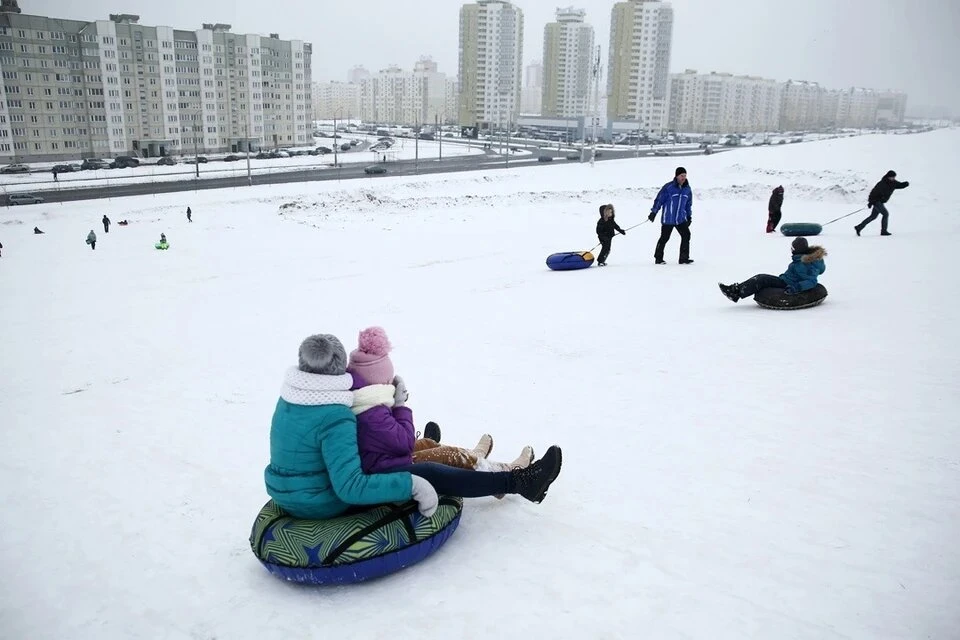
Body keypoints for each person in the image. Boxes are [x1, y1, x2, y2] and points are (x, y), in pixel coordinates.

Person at [264, 333, 563, 520]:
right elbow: (350, 487)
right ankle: (518, 482)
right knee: (430, 472)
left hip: (291, 493)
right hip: (321, 502)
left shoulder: (290, 400)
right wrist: (411, 484)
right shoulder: (334, 415)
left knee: (420, 456)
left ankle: (480, 466)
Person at [345, 327, 534, 478]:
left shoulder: (363, 399)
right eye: (388, 381)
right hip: (387, 469)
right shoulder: (372, 412)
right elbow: (406, 443)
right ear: (378, 384)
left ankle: (473, 457)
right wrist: (399, 406)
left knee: (427, 443)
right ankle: (506, 472)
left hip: (382, 459)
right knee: (447, 455)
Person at [718, 237, 826, 303]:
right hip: (785, 280)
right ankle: (736, 290)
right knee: (761, 278)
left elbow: (811, 281)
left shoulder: (805, 264)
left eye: (792, 248)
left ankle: (735, 292)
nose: (791, 250)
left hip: (787, 284)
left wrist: (795, 288)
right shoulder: (802, 260)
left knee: (761, 279)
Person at [649, 166, 694, 264]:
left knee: (686, 235)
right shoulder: (668, 187)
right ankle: (658, 258)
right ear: (677, 176)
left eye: (685, 176)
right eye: (682, 175)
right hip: (668, 219)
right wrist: (653, 212)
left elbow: (688, 204)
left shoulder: (687, 189)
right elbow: (659, 200)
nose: (683, 178)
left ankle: (683, 258)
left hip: (680, 219)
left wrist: (689, 216)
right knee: (664, 238)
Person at [855, 170, 909, 236]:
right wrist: (871, 202)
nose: (893, 178)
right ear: (888, 176)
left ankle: (859, 227)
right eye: (892, 177)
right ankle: (884, 231)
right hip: (876, 201)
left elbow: (899, 185)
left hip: (880, 202)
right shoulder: (882, 183)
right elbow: (873, 192)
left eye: (894, 177)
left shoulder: (893, 183)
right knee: (885, 214)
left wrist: (905, 184)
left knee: (873, 216)